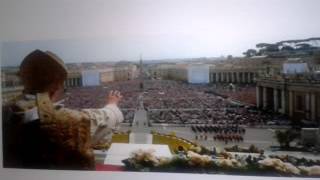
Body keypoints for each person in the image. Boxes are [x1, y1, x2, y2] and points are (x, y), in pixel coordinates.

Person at [2, 50, 124, 170]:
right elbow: (103, 119)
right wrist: (112, 104)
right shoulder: (69, 120)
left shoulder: (5, 112)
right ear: (57, 85)